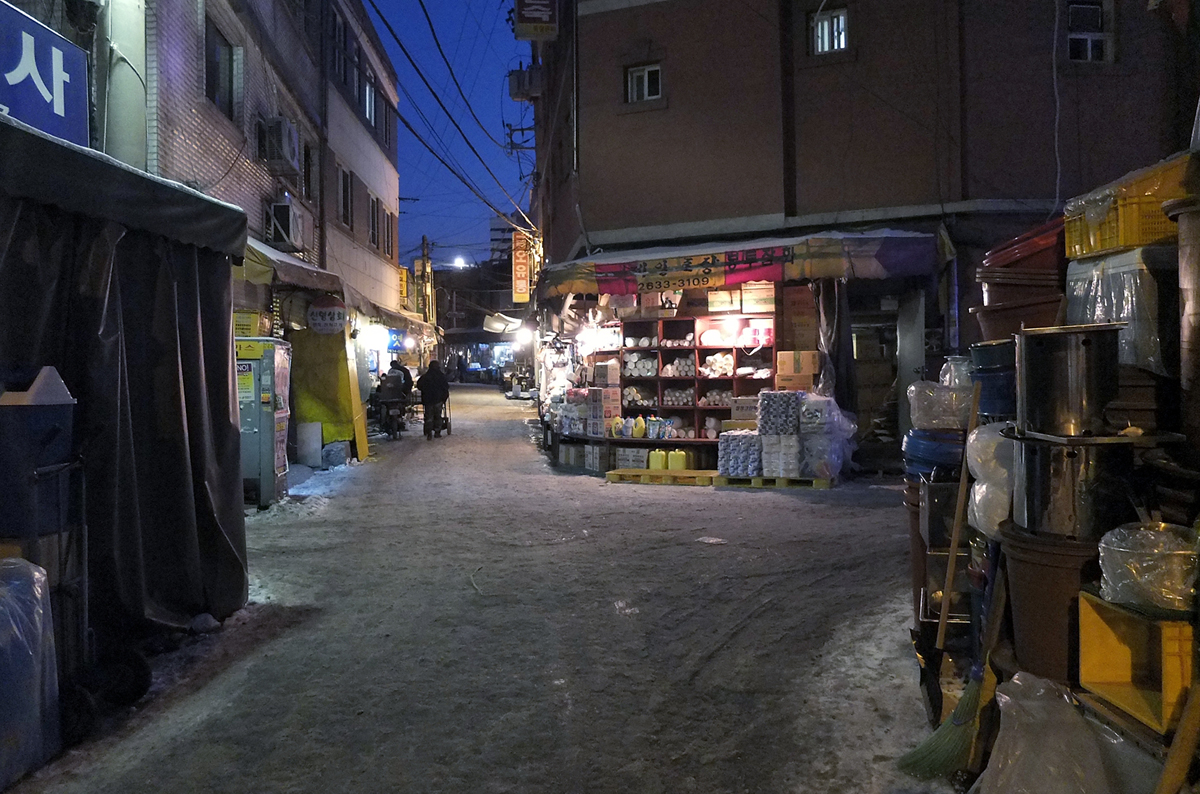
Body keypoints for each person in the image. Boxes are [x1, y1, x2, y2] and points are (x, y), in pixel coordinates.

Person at [416, 360, 450, 439]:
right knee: (437, 415)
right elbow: (446, 387)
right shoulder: (441, 376)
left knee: (428, 416)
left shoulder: (425, 377)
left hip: (428, 400)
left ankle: (429, 432)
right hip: (438, 399)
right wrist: (444, 397)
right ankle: (437, 432)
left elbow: (419, 386)